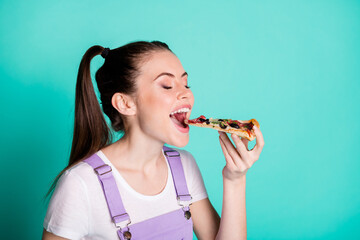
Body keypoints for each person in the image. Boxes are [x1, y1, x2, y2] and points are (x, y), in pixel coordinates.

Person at [42, 41, 265, 240]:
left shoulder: (184, 166)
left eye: (186, 84)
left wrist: (235, 179)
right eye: (167, 85)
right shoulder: (80, 184)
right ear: (125, 103)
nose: (186, 94)